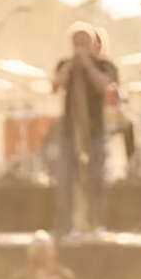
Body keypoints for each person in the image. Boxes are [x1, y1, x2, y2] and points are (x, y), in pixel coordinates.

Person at [53, 23, 117, 236]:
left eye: (84, 41)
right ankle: (66, 226)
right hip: (70, 131)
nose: (79, 46)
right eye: (76, 42)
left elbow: (106, 86)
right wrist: (72, 66)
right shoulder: (66, 65)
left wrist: (88, 65)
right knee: (66, 179)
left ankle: (96, 223)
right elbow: (56, 85)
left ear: (93, 43)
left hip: (95, 131)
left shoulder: (104, 65)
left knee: (96, 178)